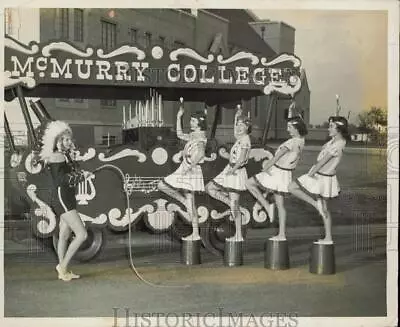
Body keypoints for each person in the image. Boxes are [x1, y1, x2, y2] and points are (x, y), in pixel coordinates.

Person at [39, 120, 90, 281]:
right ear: (57, 141)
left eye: (69, 139)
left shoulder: (63, 155)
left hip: (65, 196)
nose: (68, 142)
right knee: (82, 234)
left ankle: (64, 271)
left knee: (64, 235)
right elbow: (61, 179)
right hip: (63, 197)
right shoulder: (57, 156)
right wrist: (82, 176)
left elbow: (67, 177)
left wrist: (81, 174)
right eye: (65, 139)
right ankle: (62, 266)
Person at [288, 115, 350, 244]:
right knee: (324, 208)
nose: (329, 129)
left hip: (323, 176)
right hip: (321, 174)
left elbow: (323, 161)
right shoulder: (333, 141)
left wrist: (311, 173)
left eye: (332, 126)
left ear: (339, 129)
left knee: (292, 187)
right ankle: (328, 237)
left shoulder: (339, 144)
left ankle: (317, 207)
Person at [246, 110, 307, 241]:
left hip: (277, 172)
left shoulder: (291, 142)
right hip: (285, 174)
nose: (287, 129)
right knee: (280, 204)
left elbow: (276, 158)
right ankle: (281, 234)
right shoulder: (301, 141)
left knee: (249, 183)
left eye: (290, 127)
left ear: (297, 128)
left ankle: (267, 206)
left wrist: (265, 168)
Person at [158, 98, 207, 241]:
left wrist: (190, 166)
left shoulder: (200, 136)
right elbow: (179, 134)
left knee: (190, 202)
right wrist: (179, 117)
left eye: (193, 121)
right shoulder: (194, 135)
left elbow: (201, 153)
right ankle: (194, 231)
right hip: (185, 167)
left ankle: (196, 234)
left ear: (199, 122)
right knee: (163, 186)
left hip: (190, 170)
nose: (191, 123)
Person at [205, 105, 251, 242]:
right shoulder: (240, 138)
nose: (239, 127)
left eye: (242, 125)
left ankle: (238, 235)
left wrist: (233, 169)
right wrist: (236, 117)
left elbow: (242, 159)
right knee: (209, 187)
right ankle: (229, 203)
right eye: (238, 125)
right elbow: (235, 133)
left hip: (236, 172)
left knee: (234, 204)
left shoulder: (245, 140)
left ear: (247, 127)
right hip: (230, 169)